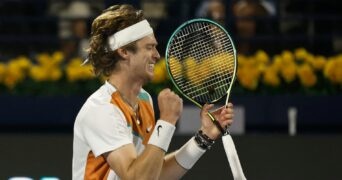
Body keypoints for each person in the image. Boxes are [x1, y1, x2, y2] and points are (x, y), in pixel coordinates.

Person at [72, 4, 234, 179]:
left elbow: (153, 174)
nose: (157, 55)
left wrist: (204, 137)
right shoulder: (102, 109)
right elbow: (137, 178)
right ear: (124, 51)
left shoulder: (144, 99)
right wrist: (166, 121)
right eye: (149, 47)